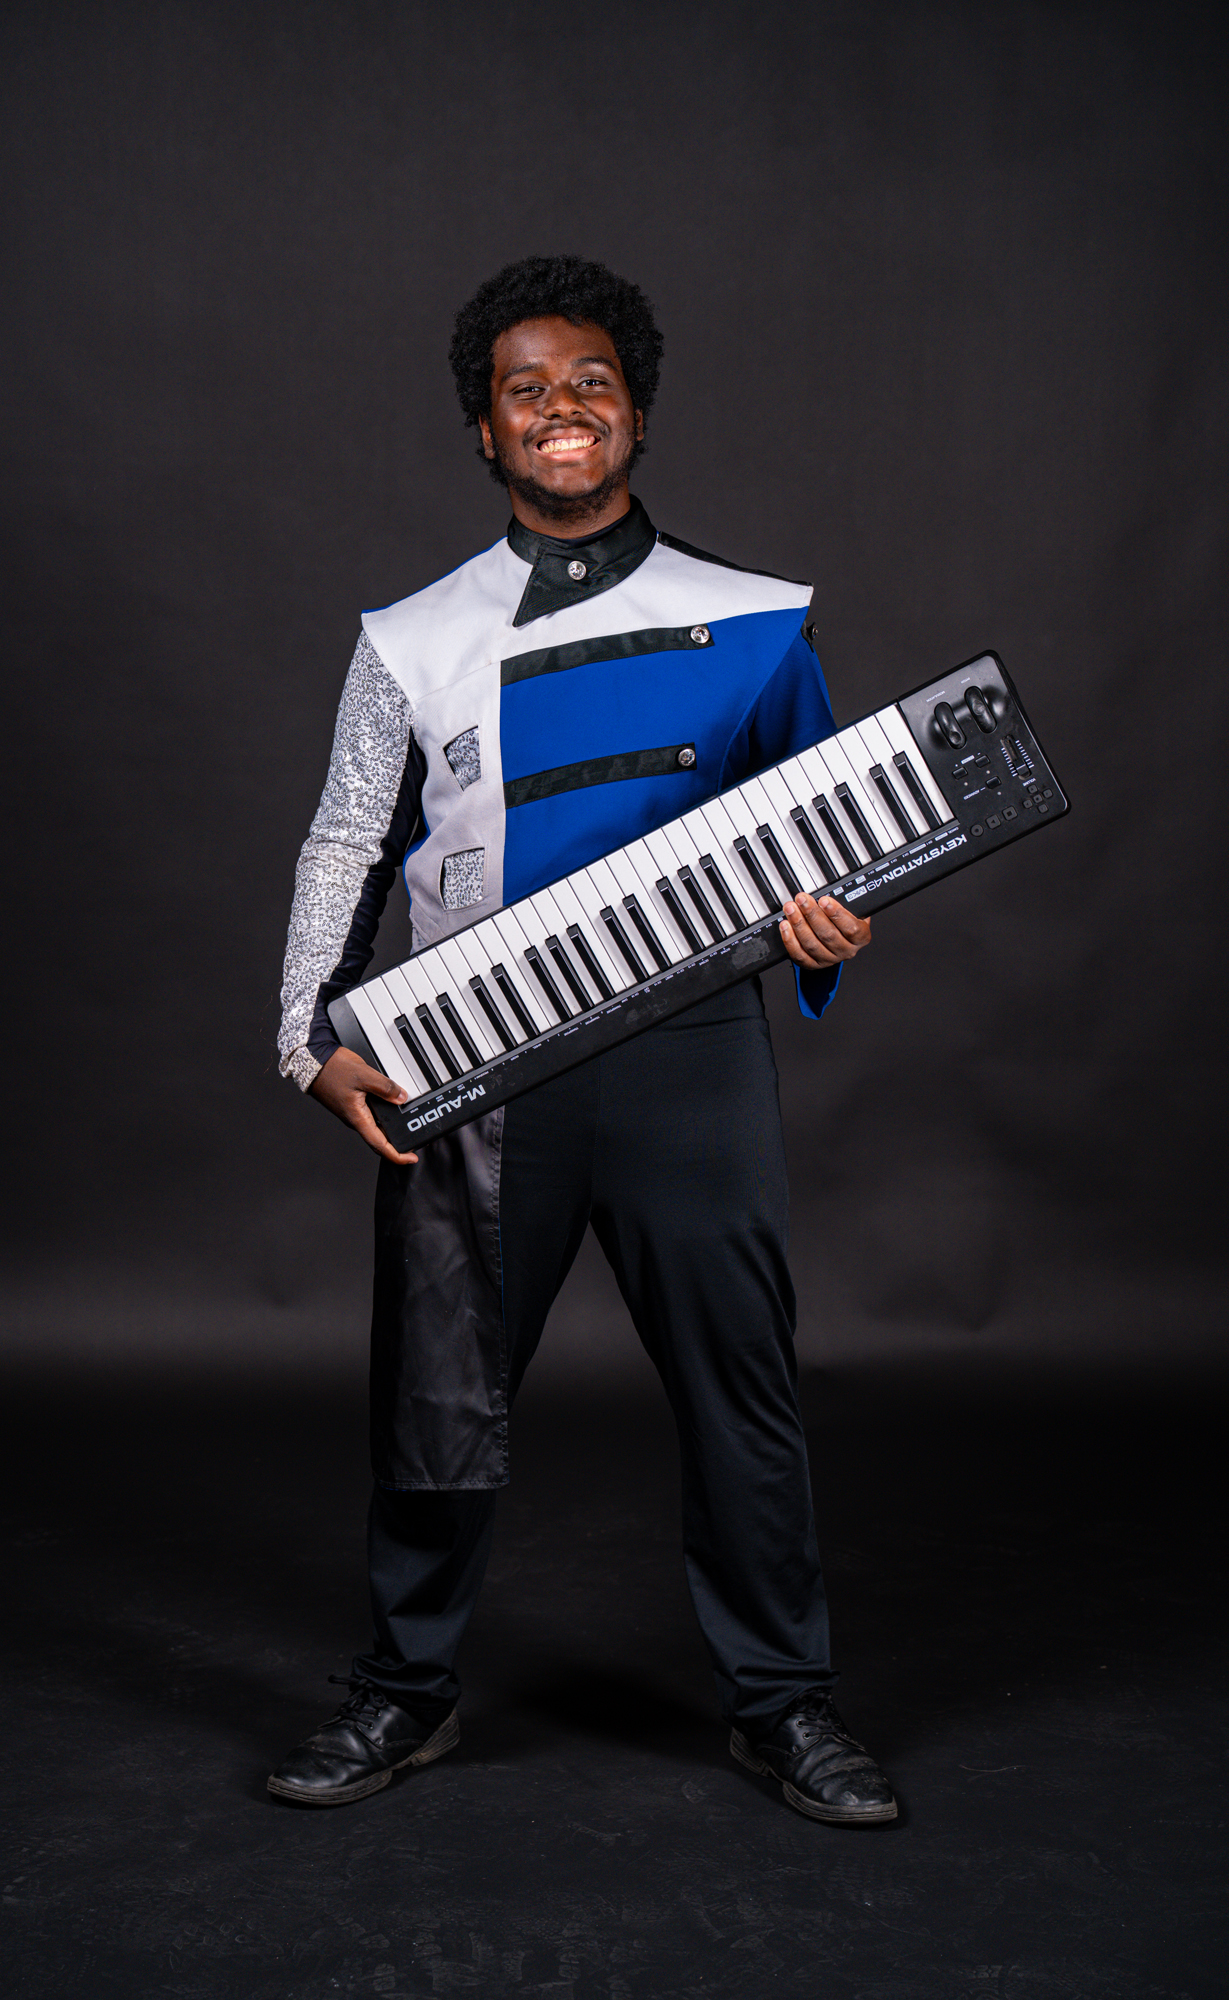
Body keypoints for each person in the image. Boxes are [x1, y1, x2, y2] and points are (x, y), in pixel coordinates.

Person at [268, 255, 896, 1825]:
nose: (562, 409)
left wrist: (831, 923)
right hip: (469, 1063)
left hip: (691, 1053)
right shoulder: (408, 638)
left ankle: (783, 1701)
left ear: (639, 412)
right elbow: (346, 842)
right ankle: (404, 1691)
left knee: (740, 1386)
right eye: (526, 389)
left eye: (592, 383)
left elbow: (834, 840)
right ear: (485, 428)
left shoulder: (756, 620)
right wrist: (304, 1040)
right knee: (436, 1388)